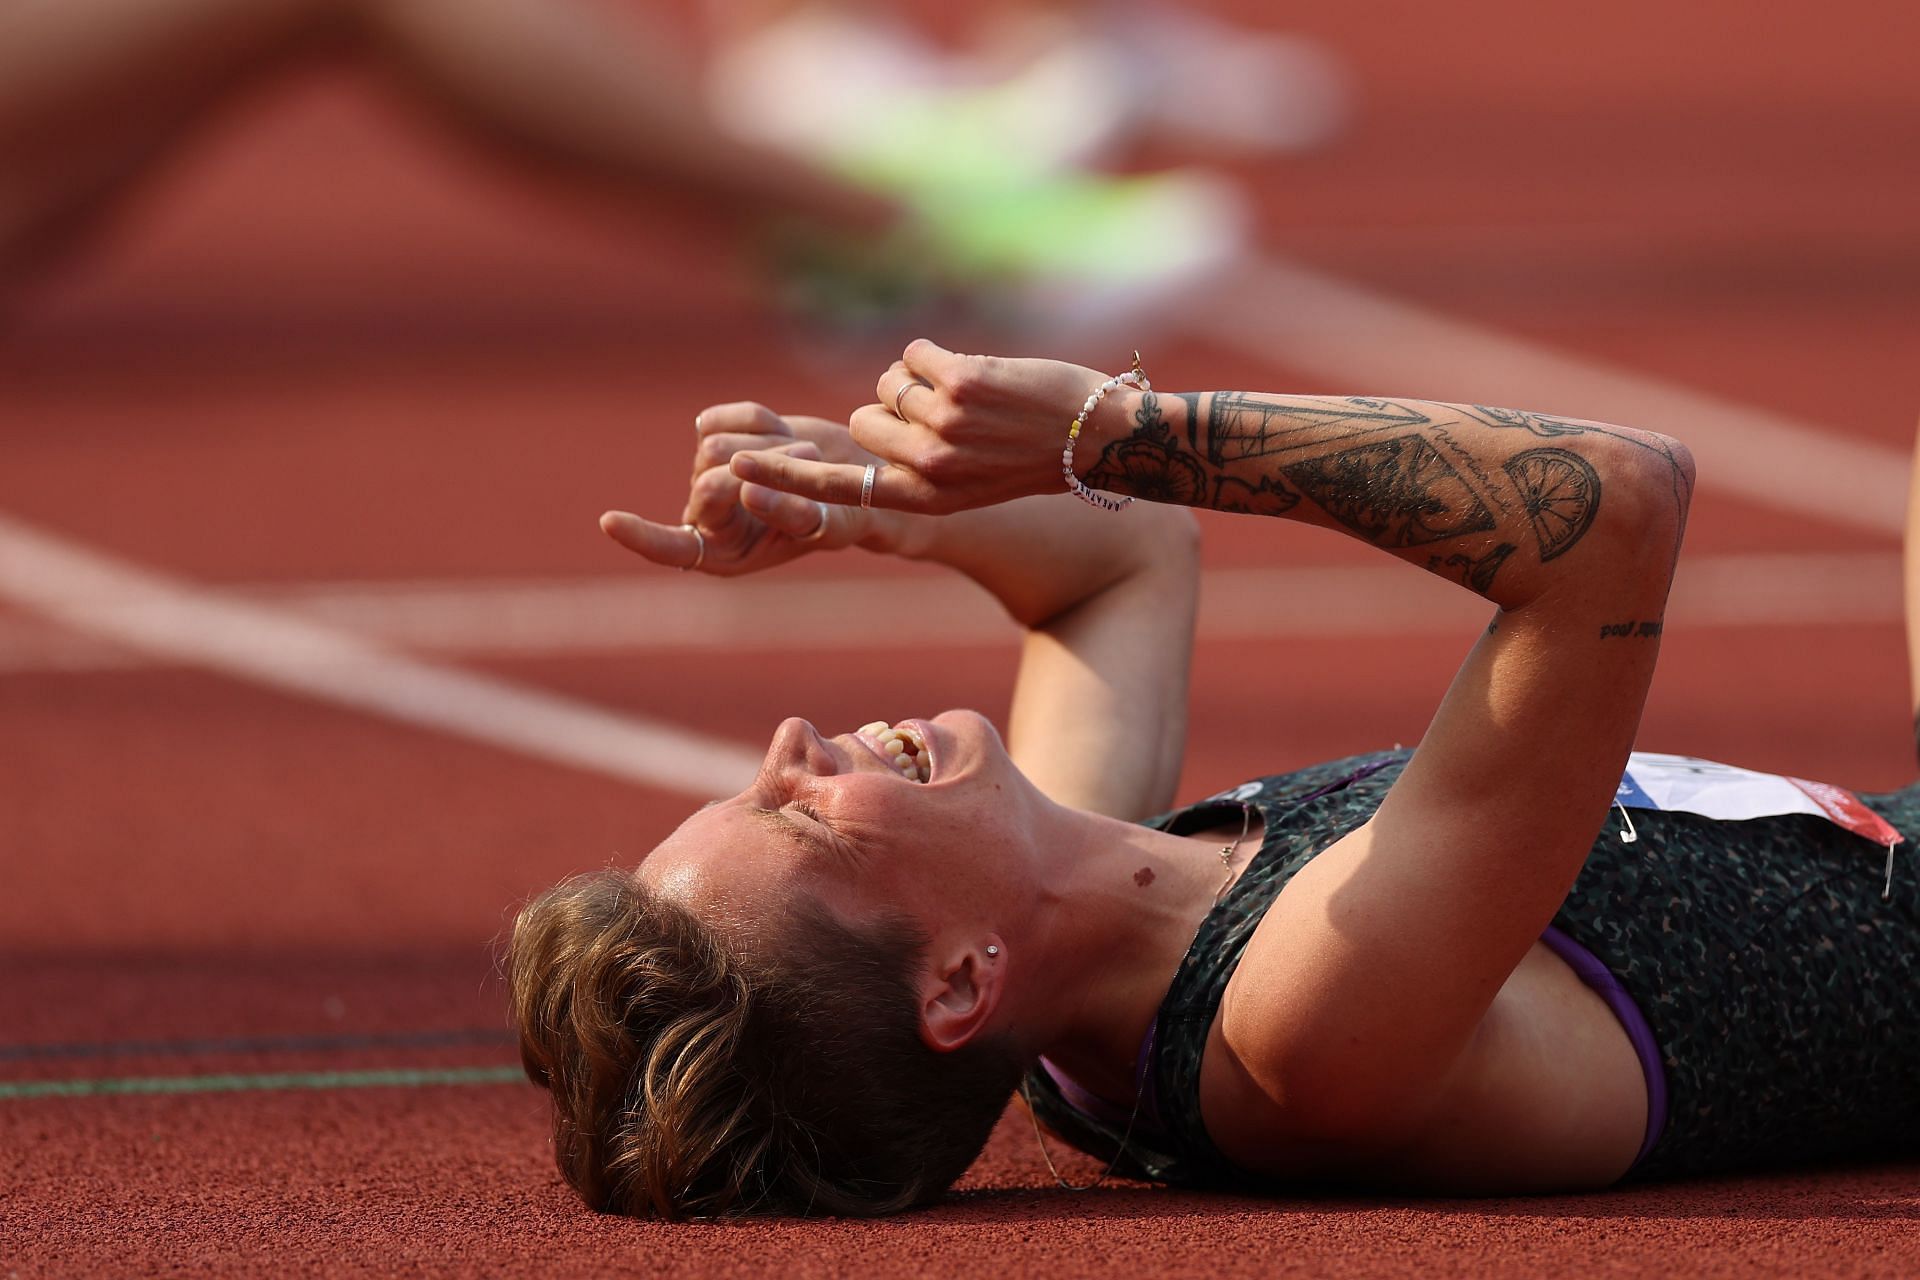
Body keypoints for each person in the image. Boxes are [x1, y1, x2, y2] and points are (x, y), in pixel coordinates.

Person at [507, 340, 1918, 1218]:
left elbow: (1120, 567)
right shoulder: (1297, 1037)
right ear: (955, 984)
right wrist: (1121, 431)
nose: (790, 746)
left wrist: (870, 506)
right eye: (797, 819)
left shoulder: (1069, 974)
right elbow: (1614, 508)